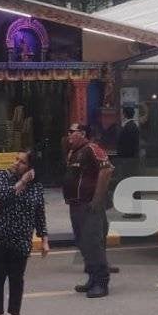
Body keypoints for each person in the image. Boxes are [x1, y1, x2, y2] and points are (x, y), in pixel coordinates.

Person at [0, 150, 49, 315]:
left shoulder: (36, 187)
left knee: (17, 279)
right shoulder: (2, 177)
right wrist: (21, 182)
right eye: (16, 159)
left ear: (30, 168)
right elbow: (2, 197)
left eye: (22, 162)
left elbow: (39, 213)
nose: (17, 163)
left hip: (22, 239)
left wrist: (44, 238)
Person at [63, 123, 114, 298]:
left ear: (83, 133)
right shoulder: (74, 153)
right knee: (83, 244)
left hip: (88, 206)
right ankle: (92, 278)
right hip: (76, 205)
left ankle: (101, 282)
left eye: (72, 131)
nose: (69, 135)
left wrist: (97, 200)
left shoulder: (92, 148)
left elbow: (106, 170)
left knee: (93, 244)